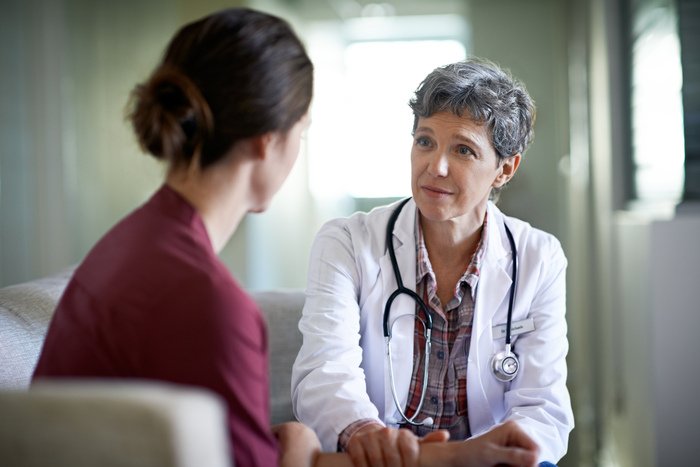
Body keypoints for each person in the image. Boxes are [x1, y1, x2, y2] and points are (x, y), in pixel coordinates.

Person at [31, 9, 539, 467]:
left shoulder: (132, 243)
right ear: (267, 141)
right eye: (304, 129)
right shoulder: (208, 305)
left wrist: (297, 446)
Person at [291, 58, 575, 466]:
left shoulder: (538, 258)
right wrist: (365, 433)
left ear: (504, 170)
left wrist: (510, 452)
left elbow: (541, 406)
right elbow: (323, 374)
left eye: (463, 150)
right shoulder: (347, 243)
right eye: (425, 141)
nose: (435, 167)